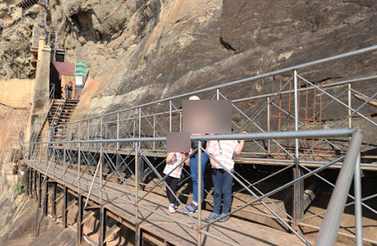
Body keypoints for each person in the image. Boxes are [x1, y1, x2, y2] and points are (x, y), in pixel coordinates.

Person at [205, 132, 246, 222]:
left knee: (226, 191)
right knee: (217, 191)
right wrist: (212, 163)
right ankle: (216, 211)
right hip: (216, 168)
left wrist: (242, 139)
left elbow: (238, 151)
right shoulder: (214, 139)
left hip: (228, 168)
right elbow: (210, 152)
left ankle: (225, 212)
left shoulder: (232, 139)